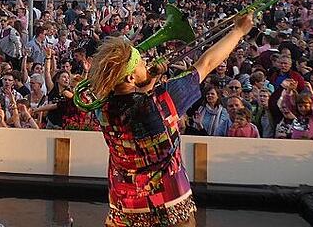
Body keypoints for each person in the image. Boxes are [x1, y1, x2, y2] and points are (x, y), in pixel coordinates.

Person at [87, 13, 253, 227]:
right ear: (130, 78)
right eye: (140, 63)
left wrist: (149, 79)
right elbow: (207, 63)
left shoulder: (102, 109)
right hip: (171, 206)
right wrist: (238, 31)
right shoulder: (165, 99)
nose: (145, 63)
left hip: (124, 210)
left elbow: (131, 107)